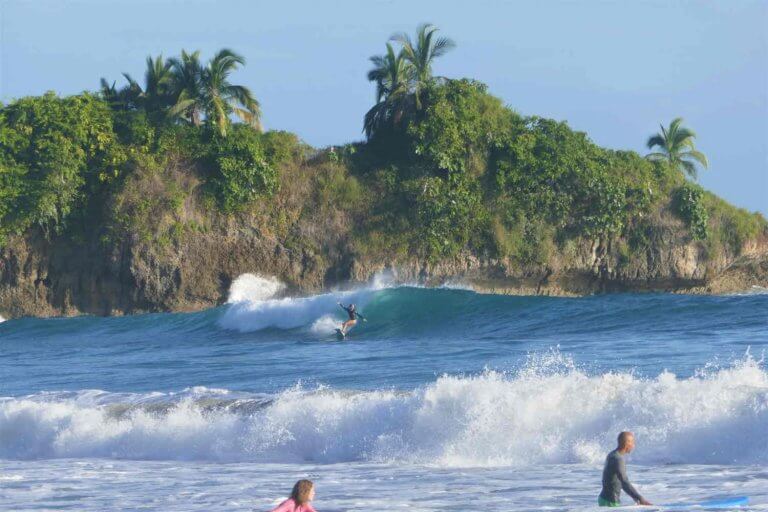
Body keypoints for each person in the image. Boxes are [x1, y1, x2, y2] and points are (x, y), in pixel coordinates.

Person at [598, 431, 652, 507]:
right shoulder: (618, 459)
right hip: (610, 501)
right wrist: (640, 498)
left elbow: (620, 481)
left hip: (604, 498)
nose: (633, 445)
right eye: (633, 443)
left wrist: (635, 497)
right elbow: (624, 481)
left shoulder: (612, 454)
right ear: (627, 443)